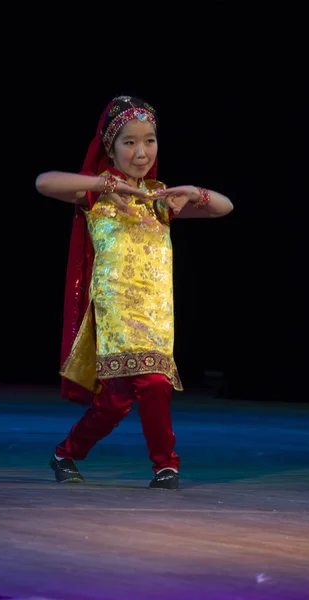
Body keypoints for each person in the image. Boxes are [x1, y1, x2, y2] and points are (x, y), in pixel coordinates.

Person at [35, 95, 233, 490]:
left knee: (127, 396)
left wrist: (194, 191)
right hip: (117, 312)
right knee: (138, 391)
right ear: (110, 147)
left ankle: (72, 453)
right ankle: (163, 465)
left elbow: (225, 207)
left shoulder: (162, 200)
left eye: (150, 140)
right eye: (129, 142)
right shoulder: (98, 195)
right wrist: (102, 183)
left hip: (157, 315)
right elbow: (44, 182)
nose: (141, 152)